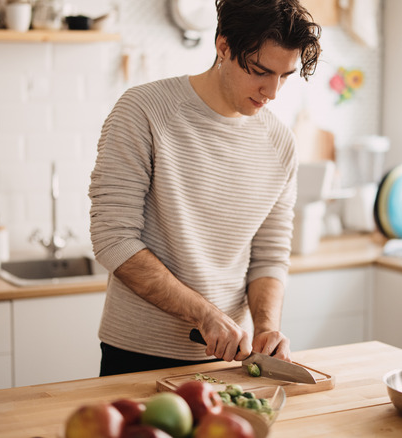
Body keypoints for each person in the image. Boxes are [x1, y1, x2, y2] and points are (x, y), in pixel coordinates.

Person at [89, 0, 322, 376]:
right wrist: (205, 315)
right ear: (224, 46)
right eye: (261, 71)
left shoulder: (280, 142)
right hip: (137, 356)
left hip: (232, 362)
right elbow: (113, 238)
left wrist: (265, 329)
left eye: (285, 76)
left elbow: (269, 257)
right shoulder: (144, 112)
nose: (273, 91)